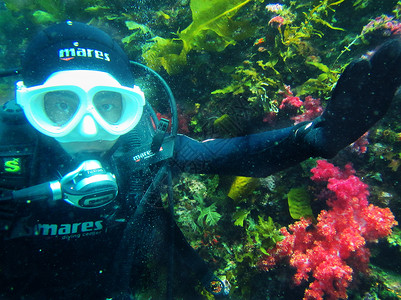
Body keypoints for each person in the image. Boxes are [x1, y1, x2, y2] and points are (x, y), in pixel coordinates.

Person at [0, 20, 400, 299]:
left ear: (131, 107)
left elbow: (226, 154)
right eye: (58, 105)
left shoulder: (140, 148)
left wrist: (316, 137)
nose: (88, 129)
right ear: (25, 105)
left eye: (109, 105)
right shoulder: (8, 158)